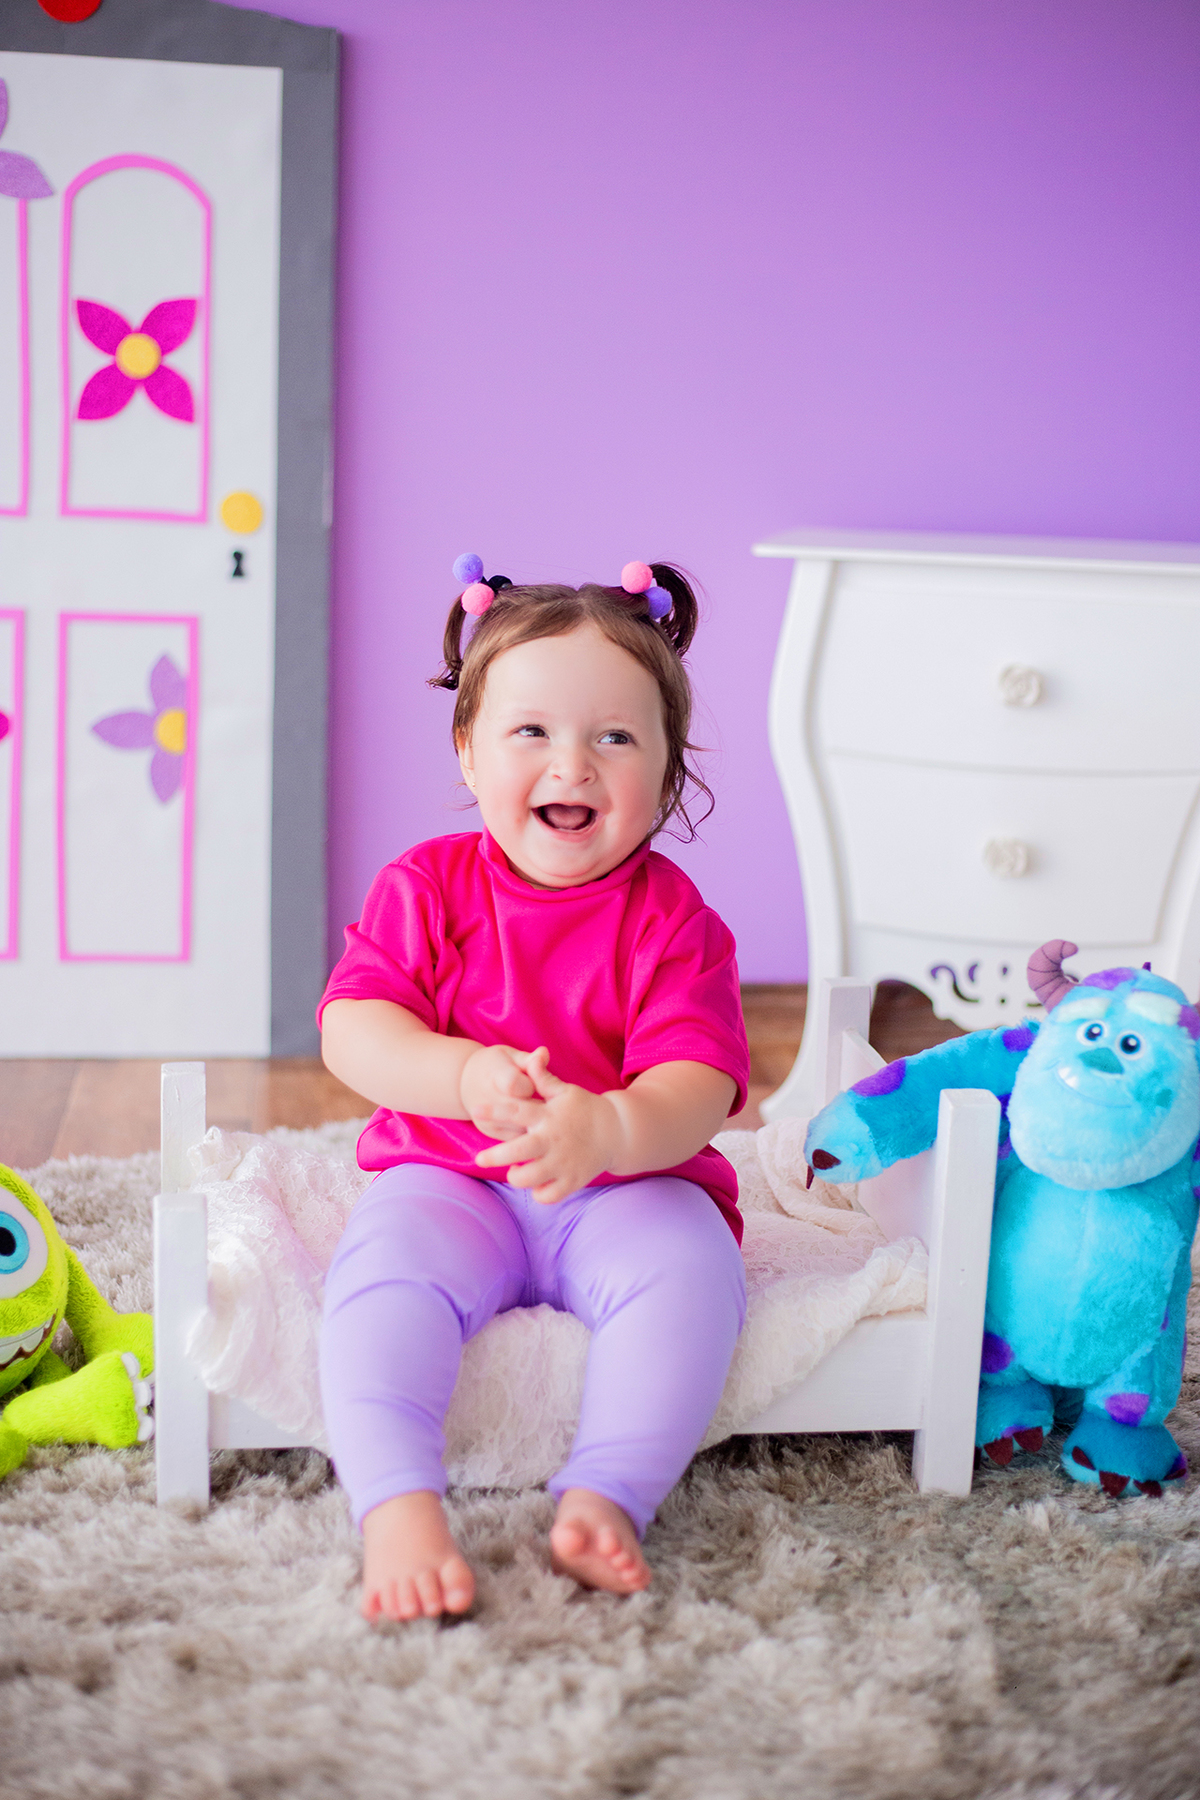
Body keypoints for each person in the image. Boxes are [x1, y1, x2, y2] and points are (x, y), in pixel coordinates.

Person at [318, 556, 750, 1624]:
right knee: (382, 1278)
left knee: (692, 1273)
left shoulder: (675, 920)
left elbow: (701, 1084)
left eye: (617, 738)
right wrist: (461, 1073)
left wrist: (612, 1127)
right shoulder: (426, 887)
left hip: (625, 1187)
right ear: (468, 751)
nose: (574, 764)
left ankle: (609, 1493)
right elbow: (354, 1030)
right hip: (449, 1175)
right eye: (531, 731)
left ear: (669, 767)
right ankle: (397, 1505)